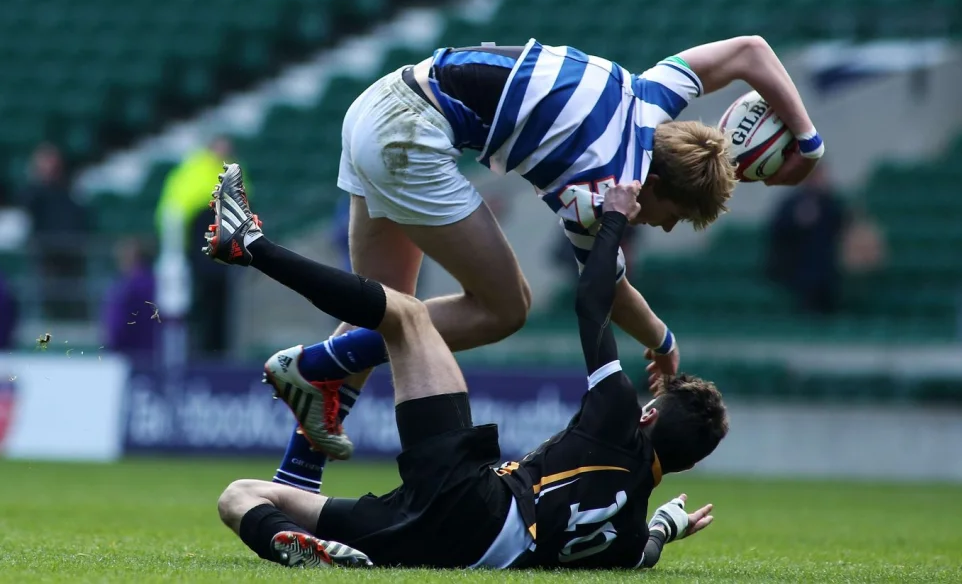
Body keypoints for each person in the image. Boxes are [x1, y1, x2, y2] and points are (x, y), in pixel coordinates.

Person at [233, 36, 820, 479]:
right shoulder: (602, 188)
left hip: (380, 101)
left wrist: (808, 141)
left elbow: (749, 50)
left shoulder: (649, 93)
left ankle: (295, 480)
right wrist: (662, 341)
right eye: (671, 215)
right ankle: (316, 363)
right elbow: (609, 292)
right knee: (506, 307)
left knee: (381, 312)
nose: (661, 226)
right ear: (660, 185)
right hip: (409, 135)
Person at [209, 165, 728, 569]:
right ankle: (295, 543)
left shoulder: (619, 419)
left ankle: (253, 249)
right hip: (430, 541)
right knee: (241, 497)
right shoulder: (630, 540)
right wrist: (666, 526)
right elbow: (648, 552)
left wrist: (613, 217)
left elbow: (592, 301)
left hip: (470, 500)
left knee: (408, 315)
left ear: (648, 416)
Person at [155, 136, 239, 356]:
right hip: (200, 243)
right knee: (198, 300)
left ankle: (216, 349)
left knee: (220, 302)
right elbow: (176, 210)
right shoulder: (194, 169)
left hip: (223, 244)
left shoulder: (232, 169)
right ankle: (198, 349)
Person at [21, 142, 90, 320]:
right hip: (45, 259)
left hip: (71, 258)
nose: (51, 168)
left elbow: (78, 220)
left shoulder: (71, 191)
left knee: (72, 305)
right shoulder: (32, 193)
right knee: (46, 309)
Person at [766, 166, 847, 315]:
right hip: (798, 270)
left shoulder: (831, 203)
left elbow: (842, 225)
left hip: (827, 271)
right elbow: (777, 232)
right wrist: (797, 219)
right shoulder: (791, 204)